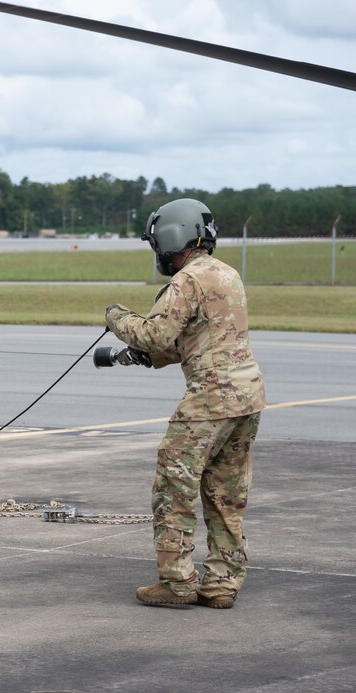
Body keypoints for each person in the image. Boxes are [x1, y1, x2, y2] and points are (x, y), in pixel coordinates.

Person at [104, 198, 265, 609]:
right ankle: (222, 585)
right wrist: (149, 356)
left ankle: (177, 583)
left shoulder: (187, 280)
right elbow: (194, 340)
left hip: (209, 400)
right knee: (226, 495)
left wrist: (117, 318)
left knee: (172, 489)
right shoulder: (226, 275)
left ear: (171, 236)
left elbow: (155, 335)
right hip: (246, 398)